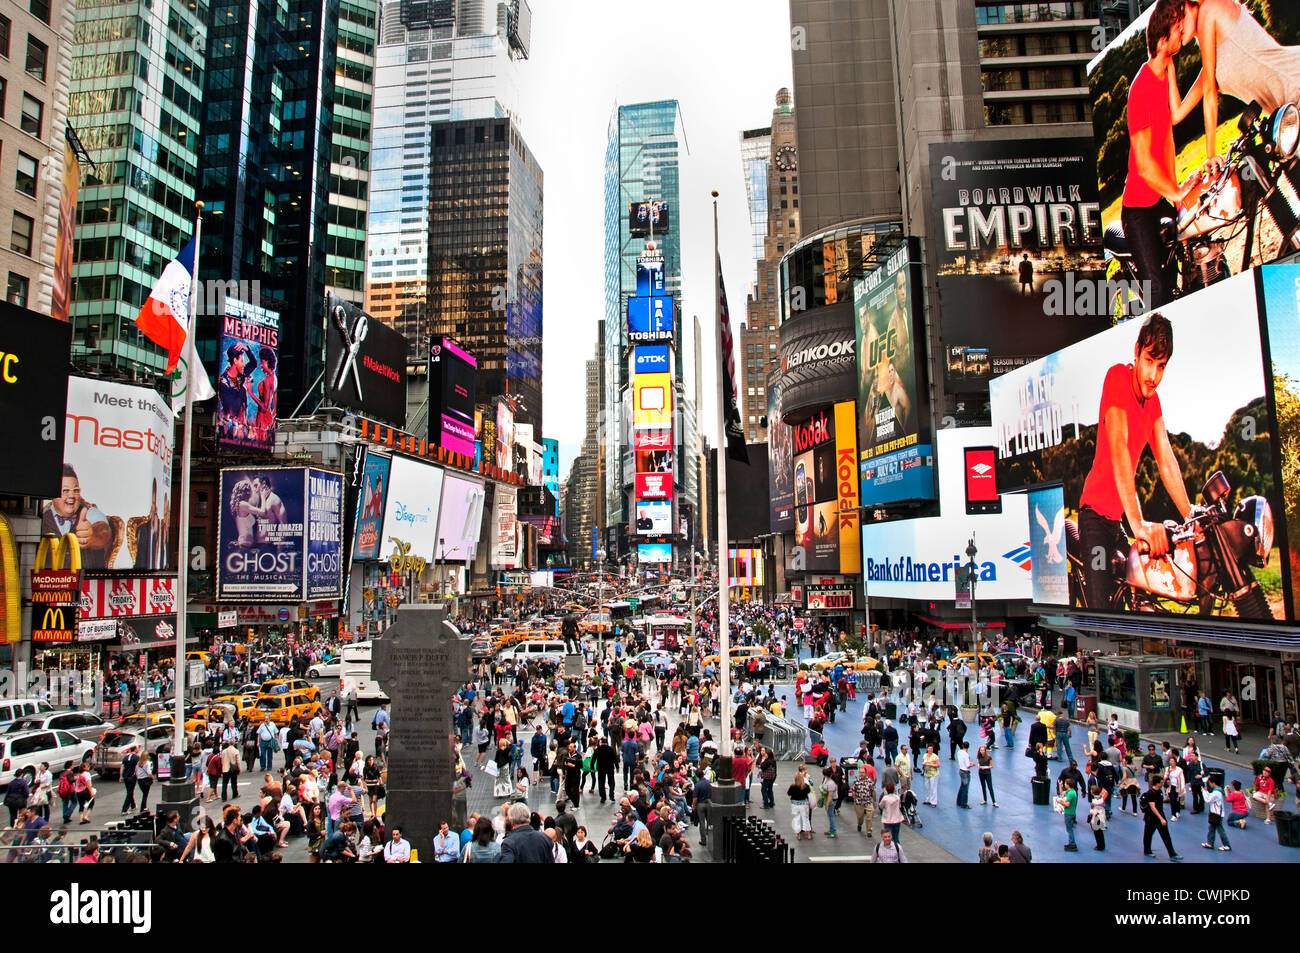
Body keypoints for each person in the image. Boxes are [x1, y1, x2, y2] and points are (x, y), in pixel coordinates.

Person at [1077, 313, 1192, 609]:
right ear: (1137, 351)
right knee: (1103, 611)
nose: (1153, 375)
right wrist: (1139, 523)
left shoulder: (1153, 402)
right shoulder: (1117, 377)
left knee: (1139, 594)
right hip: (1094, 518)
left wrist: (1191, 516)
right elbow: (1119, 450)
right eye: (1149, 360)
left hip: (1117, 523)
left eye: (1161, 365)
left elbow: (1166, 458)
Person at [1118, 2, 1207, 309]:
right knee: (1156, 287)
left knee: (1186, 253)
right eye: (1177, 29)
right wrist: (1178, 190)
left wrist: (1209, 74)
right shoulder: (1139, 90)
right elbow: (1143, 165)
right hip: (1137, 210)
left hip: (1159, 199)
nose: (1183, 31)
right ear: (1160, 40)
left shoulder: (1167, 65)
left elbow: (1176, 113)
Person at [1175, 0, 1300, 169]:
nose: (1176, 22)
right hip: (1288, 119)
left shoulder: (1210, 8)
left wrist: (1211, 154)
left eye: (1178, 9)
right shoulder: (1210, 57)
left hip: (1295, 83)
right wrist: (1163, 63)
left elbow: (1210, 92)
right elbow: (1176, 114)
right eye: (1169, 19)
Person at [41, 465, 112, 568]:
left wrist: (92, 535)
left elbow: (104, 532)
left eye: (76, 490)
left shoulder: (91, 513)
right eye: (65, 491)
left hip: (86, 582)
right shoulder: (41, 518)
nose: (71, 496)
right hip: (50, 582)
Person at [1141, 775, 1183, 861]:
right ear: (1157, 783)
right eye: (1161, 782)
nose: (1163, 783)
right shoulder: (1150, 793)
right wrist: (1161, 818)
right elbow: (1153, 808)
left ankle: (1172, 853)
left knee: (1166, 835)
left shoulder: (1159, 791)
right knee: (1148, 834)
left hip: (1160, 816)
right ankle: (1147, 850)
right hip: (1152, 818)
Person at [1202, 776, 1232, 851]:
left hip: (1216, 814)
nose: (1209, 784)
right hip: (1216, 813)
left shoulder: (1216, 793)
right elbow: (1211, 797)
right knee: (1211, 828)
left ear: (1213, 783)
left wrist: (1204, 792)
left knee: (1220, 829)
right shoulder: (1218, 791)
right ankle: (1210, 843)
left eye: (1210, 783)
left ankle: (1226, 845)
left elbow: (1208, 800)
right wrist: (1206, 792)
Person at [788, 764, 813, 840]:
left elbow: (789, 793)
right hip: (804, 804)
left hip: (795, 805)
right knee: (805, 818)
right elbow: (809, 791)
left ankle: (798, 835)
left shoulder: (793, 786)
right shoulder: (805, 786)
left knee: (797, 819)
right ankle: (808, 834)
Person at [1056, 776, 1080, 852]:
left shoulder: (1070, 794)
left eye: (1065, 783)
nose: (1065, 785)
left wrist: (1060, 802)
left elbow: (1067, 804)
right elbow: (1061, 792)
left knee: (1069, 829)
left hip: (1069, 813)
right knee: (1069, 829)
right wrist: (1060, 785)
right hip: (1071, 812)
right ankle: (1071, 843)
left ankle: (1072, 844)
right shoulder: (1071, 791)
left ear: (1068, 785)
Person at [1087, 783, 1109, 851]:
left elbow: (1095, 811)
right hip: (1102, 817)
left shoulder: (1096, 801)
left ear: (1093, 792)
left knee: (1097, 833)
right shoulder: (1101, 798)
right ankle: (1102, 845)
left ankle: (1099, 846)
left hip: (1097, 818)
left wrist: (1093, 819)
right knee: (1100, 832)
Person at [955, 740, 972, 809]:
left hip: (961, 771)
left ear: (962, 746)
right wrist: (972, 764)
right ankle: (964, 804)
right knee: (965, 788)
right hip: (965, 772)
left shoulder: (959, 752)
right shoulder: (966, 755)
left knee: (962, 787)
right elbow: (968, 765)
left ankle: (959, 801)